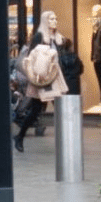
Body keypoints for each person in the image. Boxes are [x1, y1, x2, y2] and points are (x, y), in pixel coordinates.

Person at [13, 11, 67, 152]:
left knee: (60, 106)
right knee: (36, 110)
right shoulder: (40, 36)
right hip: (41, 78)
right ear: (45, 21)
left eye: (56, 18)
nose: (55, 21)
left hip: (53, 77)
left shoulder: (55, 36)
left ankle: (66, 141)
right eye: (51, 19)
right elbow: (32, 55)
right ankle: (20, 136)